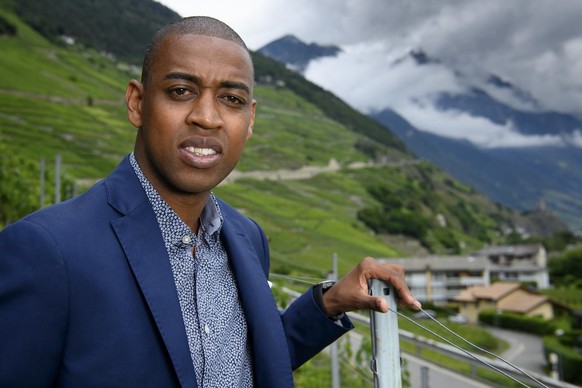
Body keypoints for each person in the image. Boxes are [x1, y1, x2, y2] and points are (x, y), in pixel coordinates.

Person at [0, 16, 420, 387]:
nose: (208, 116)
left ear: (250, 120)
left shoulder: (247, 237)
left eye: (231, 99)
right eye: (181, 90)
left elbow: (233, 367)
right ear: (138, 103)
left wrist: (327, 305)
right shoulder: (47, 250)